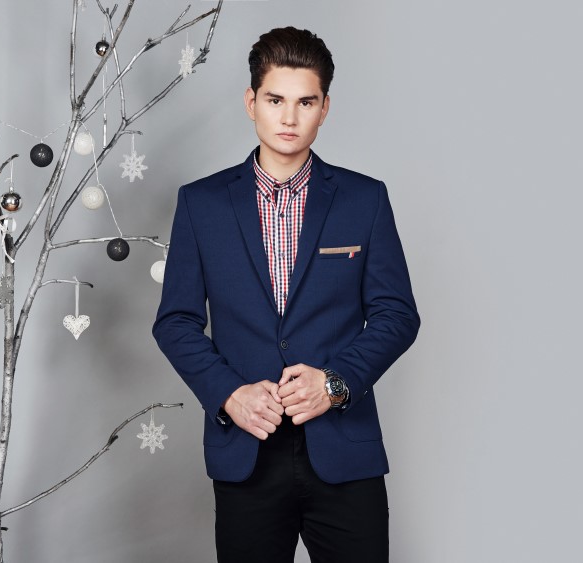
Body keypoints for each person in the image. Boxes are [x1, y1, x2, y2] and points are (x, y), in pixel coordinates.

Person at [153, 26, 419, 563]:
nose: (289, 118)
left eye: (306, 102)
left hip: (344, 450)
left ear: (325, 109)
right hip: (246, 450)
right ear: (251, 102)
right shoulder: (202, 204)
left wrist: (335, 383)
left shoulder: (364, 199)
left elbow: (397, 314)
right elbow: (175, 321)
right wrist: (229, 393)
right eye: (275, 100)